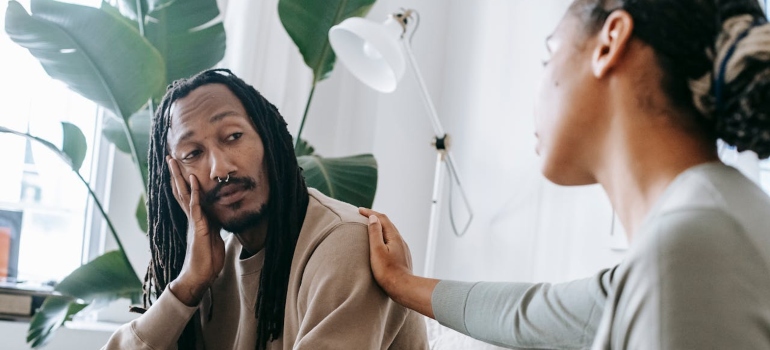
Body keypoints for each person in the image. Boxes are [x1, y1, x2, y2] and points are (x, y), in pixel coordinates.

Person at [360, 0, 770, 348]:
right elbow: (528, 314)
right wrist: (400, 281)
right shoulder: (709, 220)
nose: (538, 86)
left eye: (548, 54)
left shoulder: (691, 244)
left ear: (609, 42)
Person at [103, 69, 428, 350]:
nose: (219, 168)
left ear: (269, 138)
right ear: (176, 181)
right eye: (192, 153)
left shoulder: (345, 244)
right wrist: (187, 285)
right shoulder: (208, 265)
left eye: (233, 136)